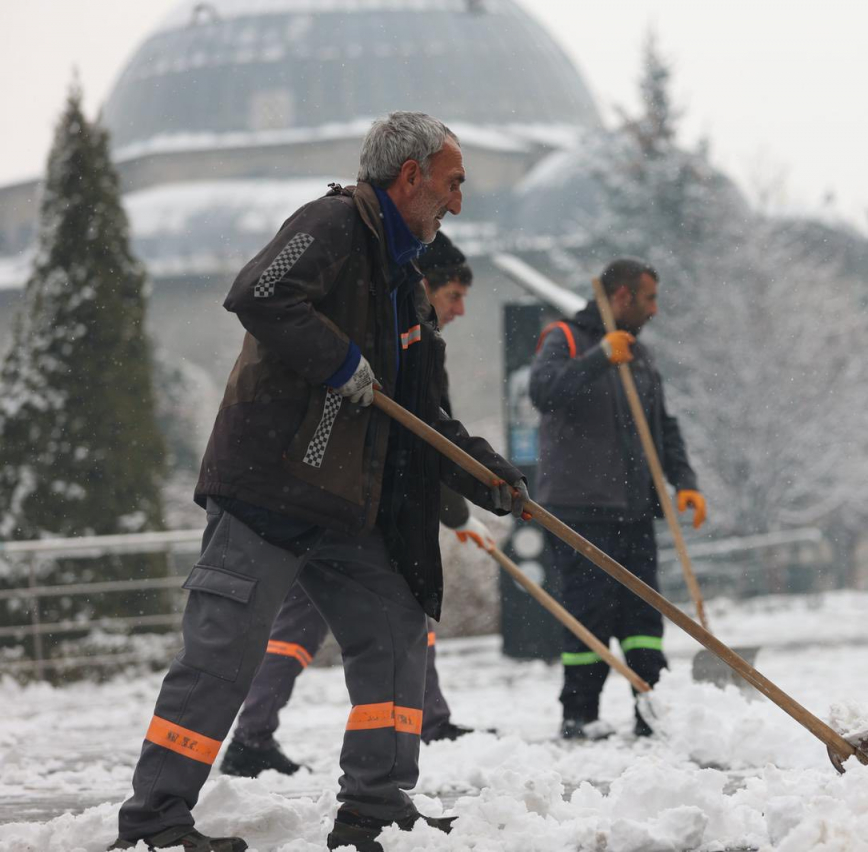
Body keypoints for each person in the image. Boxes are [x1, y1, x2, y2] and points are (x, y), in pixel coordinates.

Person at [112, 112, 528, 852]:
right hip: (268, 488)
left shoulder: (407, 282)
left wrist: (489, 476)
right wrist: (340, 364)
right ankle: (155, 821)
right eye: (452, 183)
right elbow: (259, 294)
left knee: (398, 626)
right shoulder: (335, 223)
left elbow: (423, 415)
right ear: (410, 177)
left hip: (343, 506)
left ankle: (374, 806)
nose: (458, 201)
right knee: (223, 651)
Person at [217, 232, 493, 783]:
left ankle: (258, 735)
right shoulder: (406, 333)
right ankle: (255, 738)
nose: (461, 309)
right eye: (455, 294)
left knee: (358, 624)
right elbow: (427, 437)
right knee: (394, 618)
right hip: (348, 506)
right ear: (427, 287)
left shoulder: (407, 331)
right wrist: (460, 512)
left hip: (335, 499)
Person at [529, 258, 706, 740]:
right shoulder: (563, 339)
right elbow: (542, 391)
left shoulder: (639, 355)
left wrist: (683, 480)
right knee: (590, 613)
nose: (655, 309)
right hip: (579, 510)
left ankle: (652, 710)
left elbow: (661, 425)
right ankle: (579, 713)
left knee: (643, 616)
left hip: (632, 508)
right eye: (648, 298)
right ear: (623, 297)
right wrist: (598, 358)